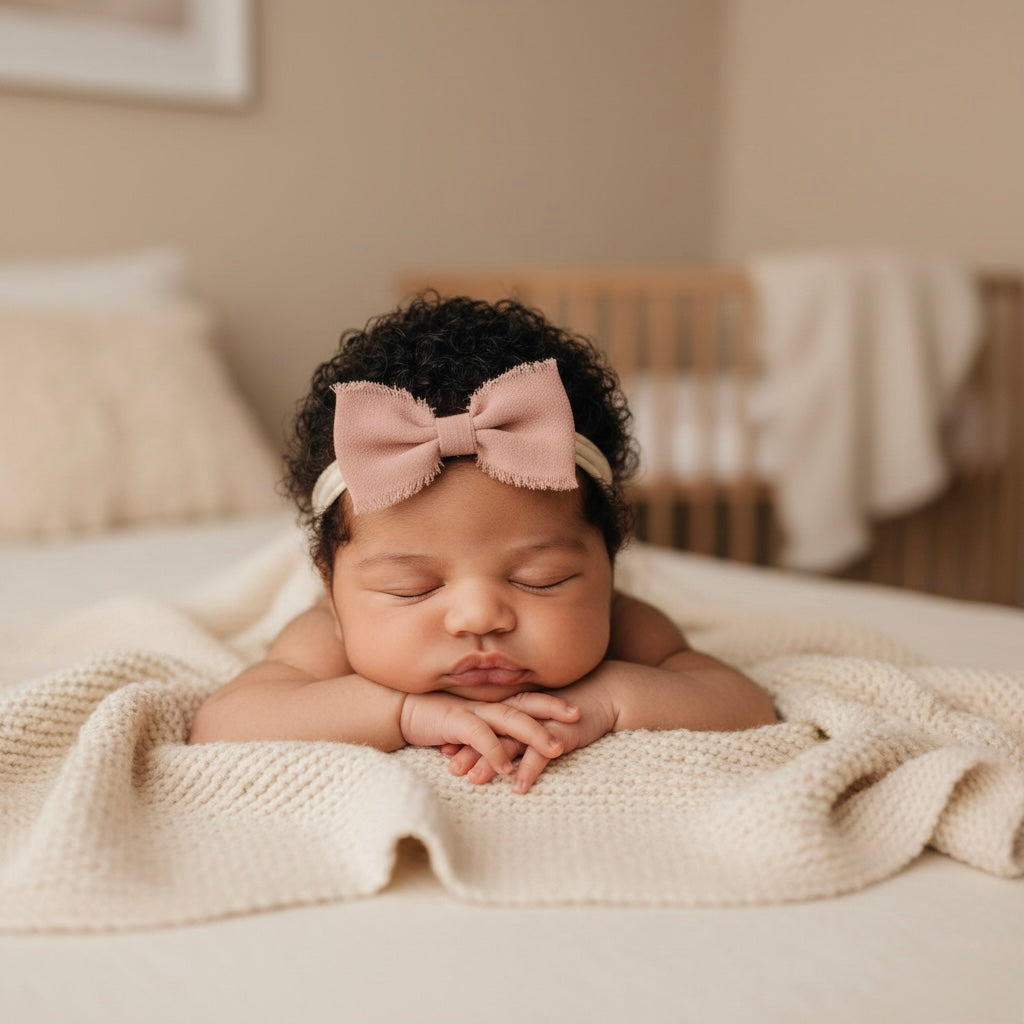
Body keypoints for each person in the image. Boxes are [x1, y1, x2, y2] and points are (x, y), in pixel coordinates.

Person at [189, 294, 777, 791]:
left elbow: (745, 704)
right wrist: (405, 712)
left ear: (609, 563)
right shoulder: (327, 637)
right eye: (410, 589)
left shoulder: (625, 627)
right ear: (331, 587)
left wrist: (612, 698)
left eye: (538, 580)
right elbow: (224, 723)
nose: (479, 617)